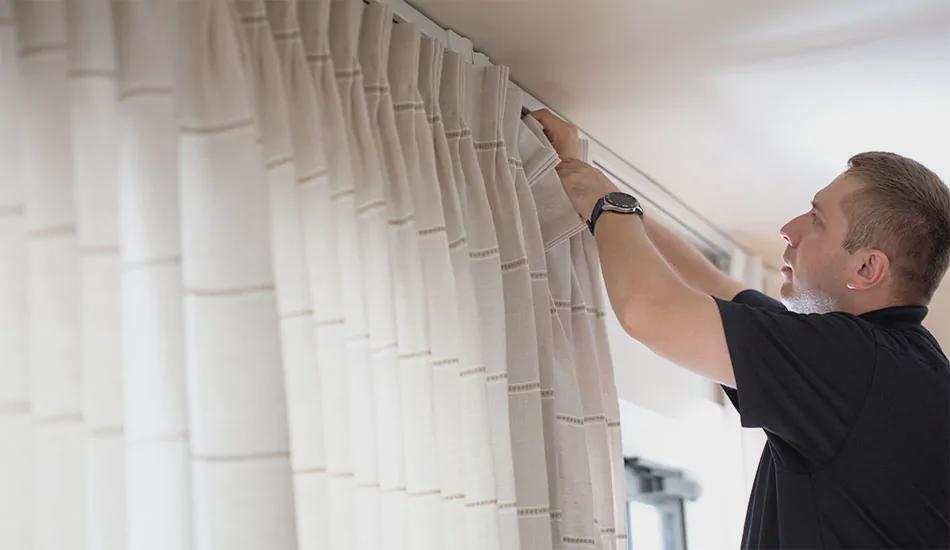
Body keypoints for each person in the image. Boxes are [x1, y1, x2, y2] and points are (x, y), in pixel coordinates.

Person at [531, 109, 950, 549]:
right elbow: (713, 287)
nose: (788, 230)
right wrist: (595, 185)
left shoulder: (853, 366)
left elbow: (648, 309)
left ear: (866, 268)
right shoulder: (893, 369)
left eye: (816, 219)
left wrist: (607, 206)